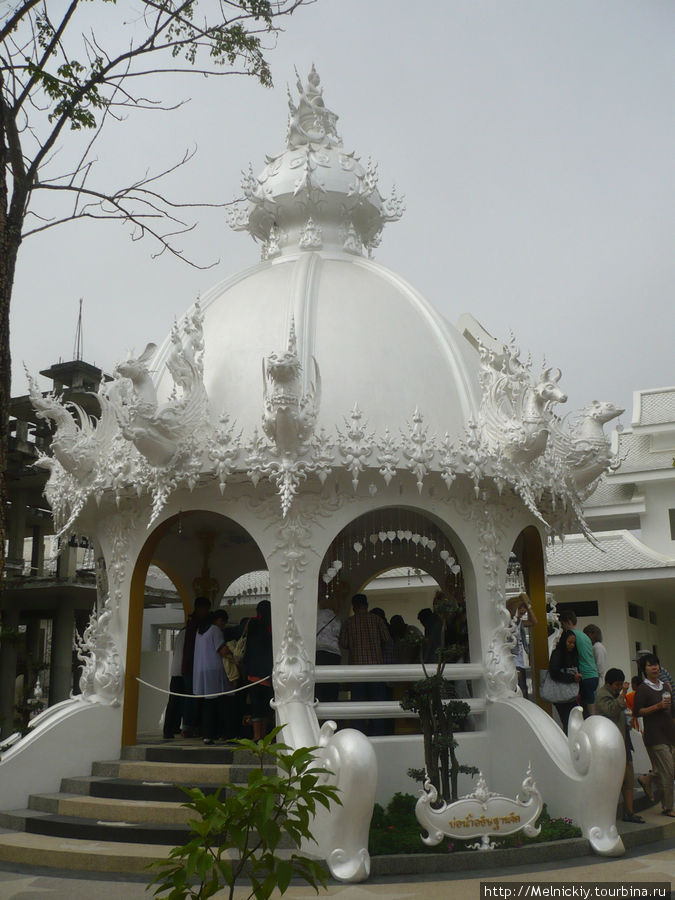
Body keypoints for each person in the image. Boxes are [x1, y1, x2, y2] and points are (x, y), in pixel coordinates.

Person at [594, 668, 645, 824]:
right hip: (611, 746)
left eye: (620, 684)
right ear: (609, 683)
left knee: (628, 778)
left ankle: (629, 812)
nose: (619, 687)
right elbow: (611, 711)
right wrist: (622, 695)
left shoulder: (615, 695)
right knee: (612, 780)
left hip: (624, 742)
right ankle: (608, 814)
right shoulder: (603, 695)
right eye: (617, 685)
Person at [339, 593, 391, 736]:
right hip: (376, 669)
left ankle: (359, 736)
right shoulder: (377, 620)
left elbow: (343, 644)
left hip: (357, 671)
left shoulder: (348, 623)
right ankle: (379, 735)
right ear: (367, 605)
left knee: (359, 707)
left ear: (354, 607)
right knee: (378, 705)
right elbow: (387, 639)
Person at [632, 653, 675, 818]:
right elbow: (637, 711)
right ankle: (668, 807)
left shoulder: (665, 686)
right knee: (668, 771)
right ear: (644, 669)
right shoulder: (643, 689)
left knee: (670, 769)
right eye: (650, 665)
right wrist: (657, 706)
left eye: (656, 664)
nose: (655, 667)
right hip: (655, 736)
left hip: (669, 733)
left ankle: (648, 779)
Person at [193, 608, 234, 744]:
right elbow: (222, 650)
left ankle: (208, 735)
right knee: (224, 703)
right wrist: (233, 649)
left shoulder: (199, 632)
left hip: (201, 670)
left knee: (208, 704)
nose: (223, 626)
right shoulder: (215, 630)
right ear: (219, 621)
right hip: (215, 670)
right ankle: (228, 733)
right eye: (223, 623)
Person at [243, 600, 274, 740]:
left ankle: (256, 737)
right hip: (268, 673)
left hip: (253, 673)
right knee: (266, 707)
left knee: (256, 706)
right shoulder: (271, 627)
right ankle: (263, 735)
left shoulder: (252, 624)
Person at [181, 596, 211, 736]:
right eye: (205, 609)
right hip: (191, 666)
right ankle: (188, 726)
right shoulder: (196, 625)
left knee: (195, 697)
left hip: (194, 665)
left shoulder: (193, 624)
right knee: (192, 697)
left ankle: (194, 725)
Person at [559, 610, 598, 716]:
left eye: (562, 624)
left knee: (582, 712)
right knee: (591, 708)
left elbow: (569, 656)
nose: (562, 627)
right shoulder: (584, 636)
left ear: (568, 622)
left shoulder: (571, 636)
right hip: (593, 675)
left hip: (583, 676)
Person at [548, 630, 582, 735]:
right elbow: (554, 672)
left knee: (572, 721)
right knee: (567, 721)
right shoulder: (558, 654)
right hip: (562, 695)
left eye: (573, 643)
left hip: (571, 694)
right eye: (569, 642)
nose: (572, 645)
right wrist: (572, 677)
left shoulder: (573, 655)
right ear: (564, 641)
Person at [506, 593, 538, 699]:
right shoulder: (507, 623)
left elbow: (534, 621)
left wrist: (529, 607)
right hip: (510, 663)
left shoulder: (520, 622)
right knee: (517, 691)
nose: (523, 610)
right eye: (520, 607)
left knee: (523, 691)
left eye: (524, 608)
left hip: (520, 663)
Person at [162, 620, 187, 740]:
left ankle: (174, 727)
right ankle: (168, 729)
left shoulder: (182, 633)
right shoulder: (186, 633)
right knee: (174, 701)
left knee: (177, 702)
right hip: (180, 672)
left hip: (179, 670)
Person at [315, 598, 342, 703]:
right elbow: (338, 633)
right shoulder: (336, 618)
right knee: (332, 681)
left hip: (318, 652)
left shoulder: (315, 616)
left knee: (318, 681)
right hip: (334, 654)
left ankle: (319, 705)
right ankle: (331, 704)